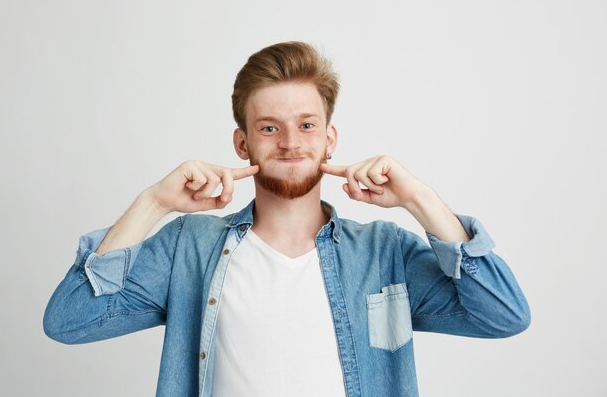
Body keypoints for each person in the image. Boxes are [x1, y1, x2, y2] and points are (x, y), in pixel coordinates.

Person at [43, 41, 531, 397]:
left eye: (306, 125)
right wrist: (153, 202)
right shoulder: (190, 246)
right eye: (270, 127)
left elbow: (504, 315)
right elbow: (69, 320)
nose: (291, 143)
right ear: (243, 144)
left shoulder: (384, 252)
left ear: (329, 138)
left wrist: (420, 200)